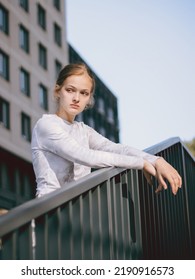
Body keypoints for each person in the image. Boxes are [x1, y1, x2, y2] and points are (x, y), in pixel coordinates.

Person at [31, 63, 182, 198]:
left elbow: (116, 148)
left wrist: (155, 160)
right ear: (58, 91)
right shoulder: (46, 125)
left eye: (84, 93)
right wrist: (140, 163)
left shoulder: (84, 130)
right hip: (48, 210)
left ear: (89, 98)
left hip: (78, 211)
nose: (76, 98)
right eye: (70, 90)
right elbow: (85, 156)